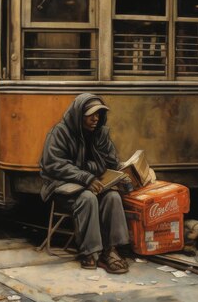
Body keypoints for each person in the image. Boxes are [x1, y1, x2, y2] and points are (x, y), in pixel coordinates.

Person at [40, 93, 130, 274]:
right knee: (87, 198)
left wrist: (124, 174)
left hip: (93, 184)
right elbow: (53, 164)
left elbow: (112, 162)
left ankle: (110, 250)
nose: (96, 118)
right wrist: (86, 176)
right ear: (78, 114)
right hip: (61, 188)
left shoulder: (101, 133)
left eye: (99, 114)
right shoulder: (59, 132)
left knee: (112, 196)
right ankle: (89, 252)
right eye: (91, 114)